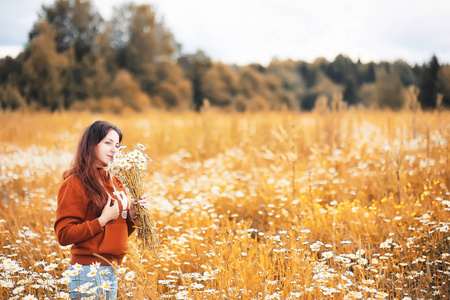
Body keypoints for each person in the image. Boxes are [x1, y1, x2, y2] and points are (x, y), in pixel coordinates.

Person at [54, 120, 148, 300]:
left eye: (117, 145)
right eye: (108, 143)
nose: (114, 149)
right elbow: (64, 235)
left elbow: (117, 231)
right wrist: (101, 220)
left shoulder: (115, 181)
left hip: (111, 270)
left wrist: (132, 216)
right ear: (91, 145)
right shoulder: (74, 184)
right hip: (88, 272)